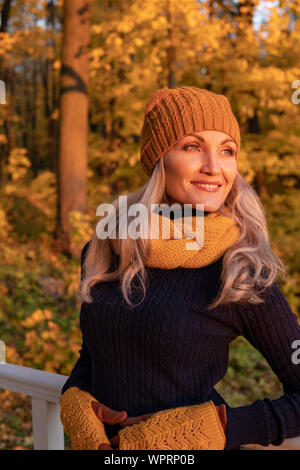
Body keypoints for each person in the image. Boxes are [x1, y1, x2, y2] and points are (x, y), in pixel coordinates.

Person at [60, 86, 300, 450]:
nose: (214, 166)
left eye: (227, 150)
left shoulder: (239, 270)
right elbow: (96, 351)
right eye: (192, 146)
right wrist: (76, 400)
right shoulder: (106, 251)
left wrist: (218, 428)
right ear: (159, 159)